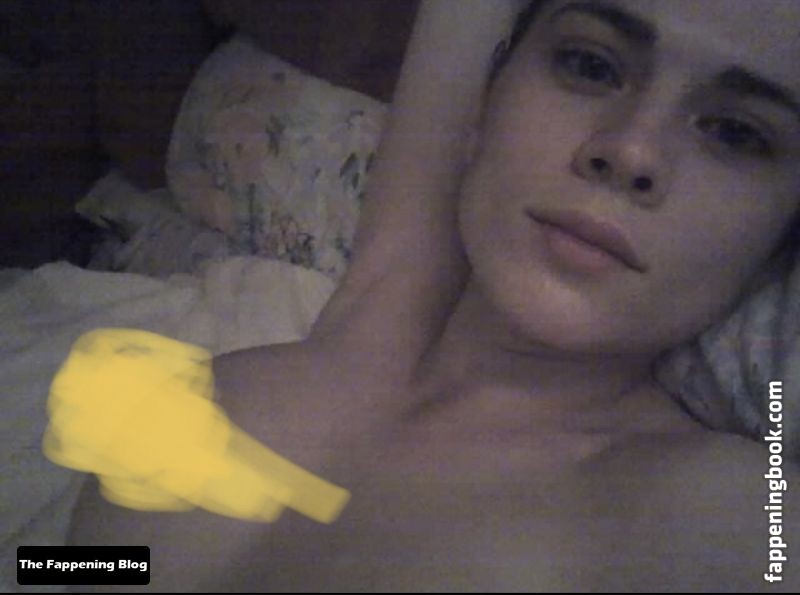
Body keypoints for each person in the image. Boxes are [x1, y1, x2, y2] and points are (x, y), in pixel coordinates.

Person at [69, 0, 800, 590]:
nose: (631, 149)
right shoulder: (285, 371)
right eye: (590, 65)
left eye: (736, 134)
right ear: (480, 108)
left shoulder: (740, 514)